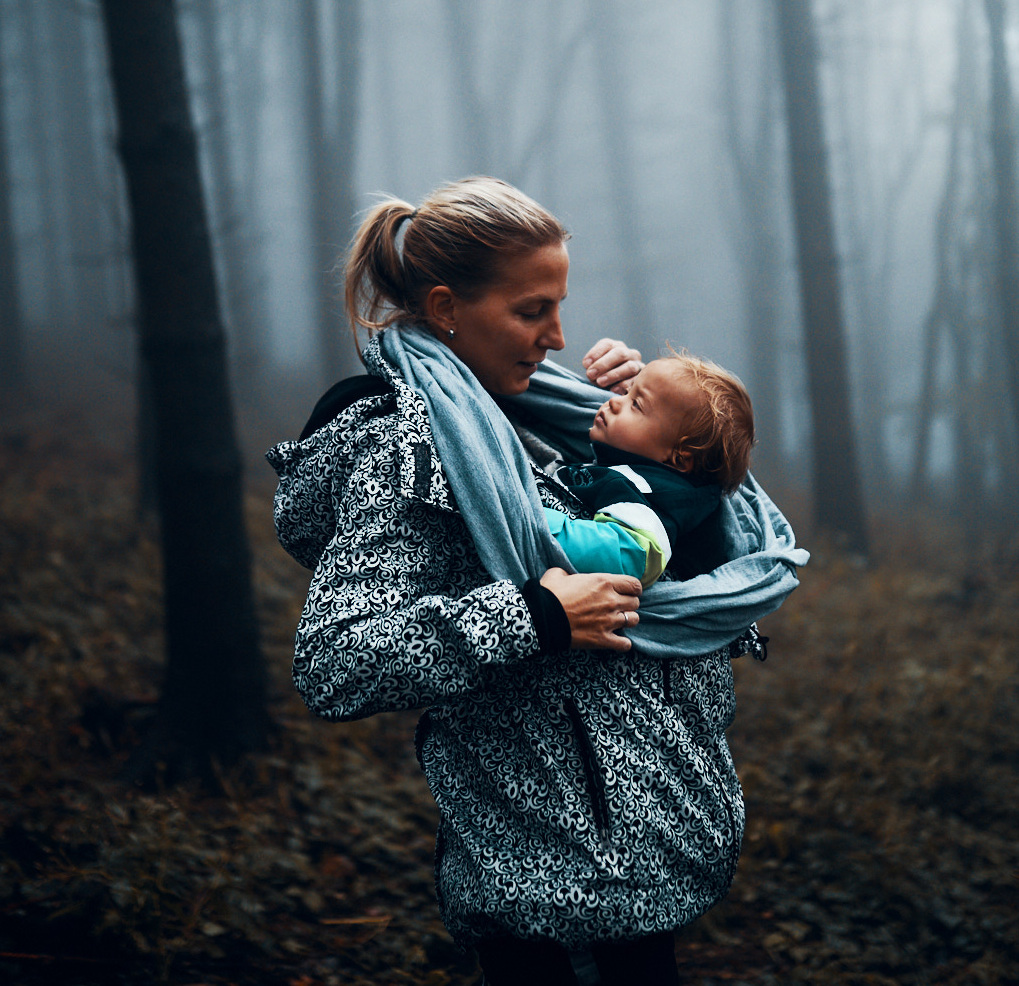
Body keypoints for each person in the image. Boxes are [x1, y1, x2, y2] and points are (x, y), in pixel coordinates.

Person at [269, 177, 803, 986]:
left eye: (559, 306)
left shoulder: (542, 411)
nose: (556, 337)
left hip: (655, 857)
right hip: (542, 891)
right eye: (530, 312)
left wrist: (644, 407)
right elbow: (336, 662)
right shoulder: (408, 439)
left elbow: (682, 545)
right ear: (447, 307)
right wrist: (535, 615)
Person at [544, 351, 756, 588]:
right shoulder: (631, 470)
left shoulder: (652, 492)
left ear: (678, 458)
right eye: (626, 393)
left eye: (635, 404)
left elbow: (632, 552)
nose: (613, 401)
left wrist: (537, 519)